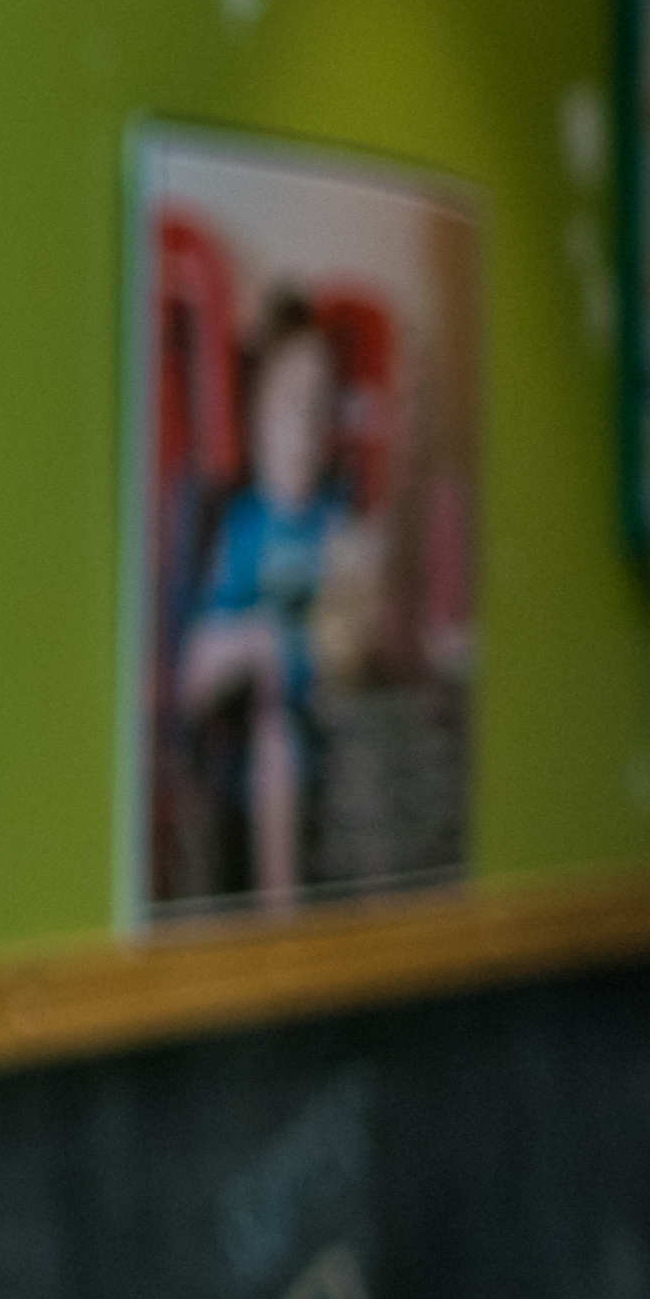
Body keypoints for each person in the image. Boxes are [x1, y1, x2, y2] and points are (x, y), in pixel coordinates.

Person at [169, 290, 371, 911]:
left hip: (320, 714)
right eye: (290, 404)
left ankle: (292, 914)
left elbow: (350, 642)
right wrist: (255, 641)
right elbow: (201, 655)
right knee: (254, 705)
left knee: (292, 732)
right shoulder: (242, 524)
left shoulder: (336, 518)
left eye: (319, 407)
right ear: (256, 415)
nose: (305, 428)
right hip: (256, 704)